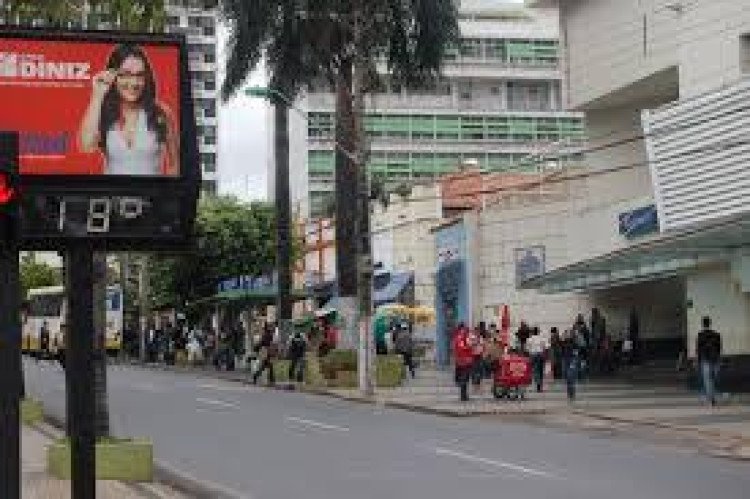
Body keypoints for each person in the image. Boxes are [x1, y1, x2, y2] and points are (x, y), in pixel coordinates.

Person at [79, 43, 179, 176]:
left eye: (139, 75)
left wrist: (166, 195)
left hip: (151, 195)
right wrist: (97, 94)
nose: (133, 83)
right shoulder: (103, 112)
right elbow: (86, 145)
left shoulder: (161, 113)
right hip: (110, 195)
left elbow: (175, 164)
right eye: (125, 75)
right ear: (112, 76)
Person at [695, 316, 722, 406]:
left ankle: (711, 398)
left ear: (703, 324)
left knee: (707, 379)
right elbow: (719, 348)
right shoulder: (716, 335)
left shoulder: (700, 335)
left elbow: (698, 350)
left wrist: (698, 361)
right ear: (710, 324)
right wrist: (718, 359)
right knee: (713, 379)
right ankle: (712, 396)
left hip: (705, 359)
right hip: (715, 359)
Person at [452, 323, 474, 402]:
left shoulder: (460, 337)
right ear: (461, 329)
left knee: (464, 378)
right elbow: (462, 348)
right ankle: (463, 396)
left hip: (462, 361)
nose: (465, 331)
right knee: (464, 378)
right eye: (464, 329)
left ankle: (464, 395)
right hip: (464, 361)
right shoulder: (460, 338)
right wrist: (470, 347)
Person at [527, 327, 548, 392]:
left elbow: (527, 349)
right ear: (538, 332)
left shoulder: (529, 339)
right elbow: (546, 347)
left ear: (532, 332)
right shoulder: (542, 338)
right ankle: (540, 385)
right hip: (541, 355)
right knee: (541, 370)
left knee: (535, 370)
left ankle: (537, 384)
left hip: (533, 355)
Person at [561, 328, 579, 401]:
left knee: (571, 376)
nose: (567, 335)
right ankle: (570, 392)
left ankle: (572, 393)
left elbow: (576, 352)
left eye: (569, 334)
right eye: (566, 334)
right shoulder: (564, 342)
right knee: (567, 377)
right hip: (565, 360)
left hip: (572, 360)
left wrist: (574, 360)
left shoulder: (574, 343)